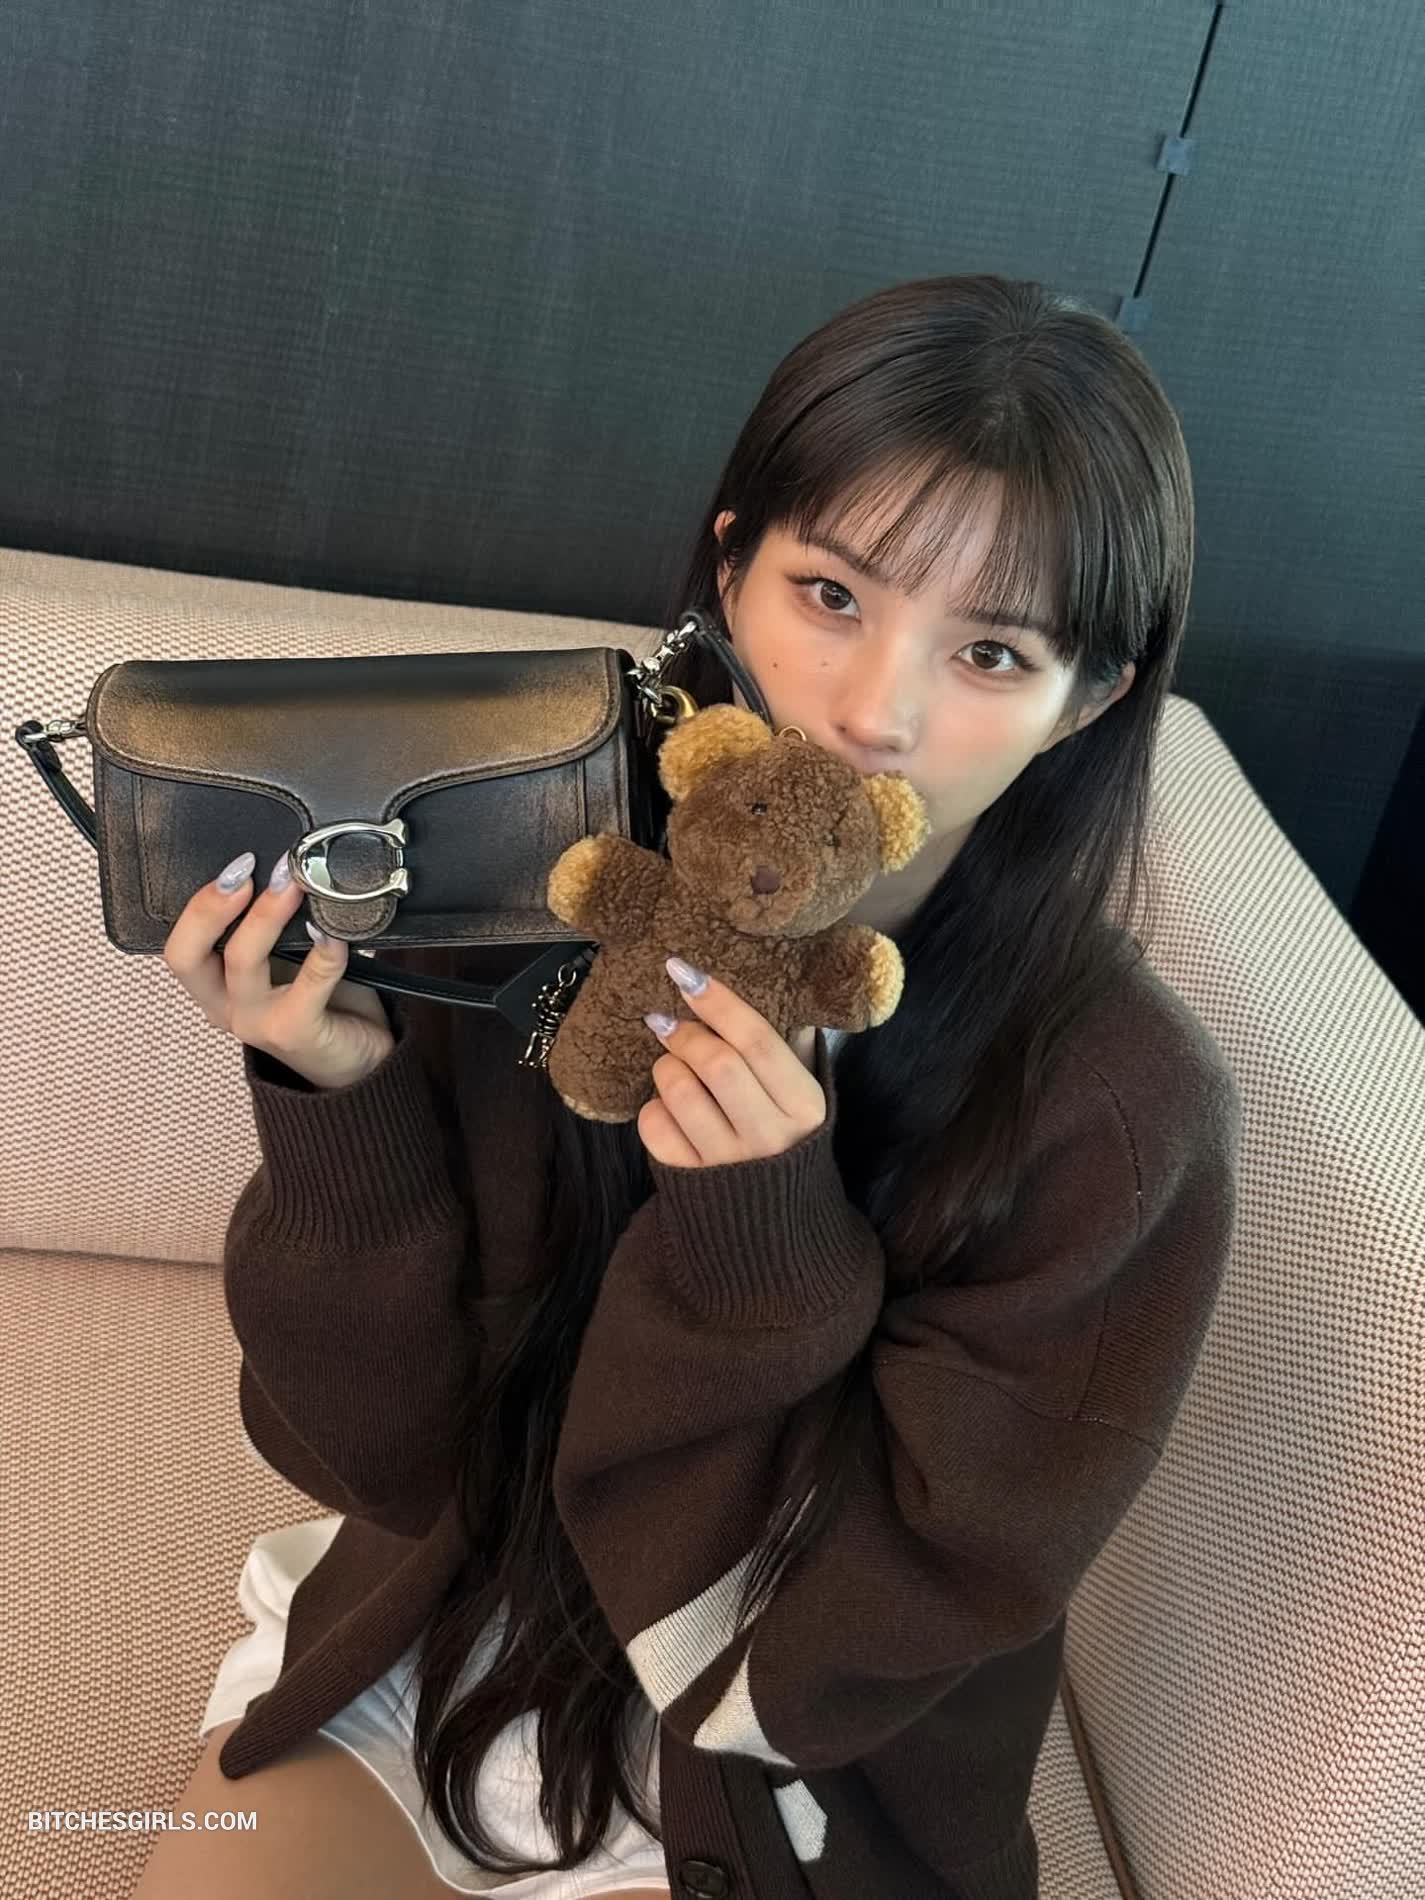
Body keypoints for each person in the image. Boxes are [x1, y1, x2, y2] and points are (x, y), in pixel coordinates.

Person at [136, 273, 1243, 1900]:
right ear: (728, 573)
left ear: (1088, 701)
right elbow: (382, 1459)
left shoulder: (1114, 1115)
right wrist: (341, 1101)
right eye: (831, 594)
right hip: (459, 1628)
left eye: (991, 650)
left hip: (783, 1761)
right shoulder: (548, 890)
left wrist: (760, 1237)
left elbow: (867, 1625)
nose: (873, 714)